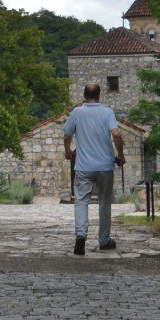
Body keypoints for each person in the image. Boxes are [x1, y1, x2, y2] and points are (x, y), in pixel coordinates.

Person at [63, 82, 125, 255]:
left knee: (81, 201)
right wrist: (120, 154)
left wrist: (68, 152)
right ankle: (104, 240)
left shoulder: (77, 113)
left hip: (83, 167)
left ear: (84, 95)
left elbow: (67, 135)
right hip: (105, 166)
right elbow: (116, 134)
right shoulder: (107, 112)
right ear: (99, 95)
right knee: (105, 202)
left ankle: (81, 236)